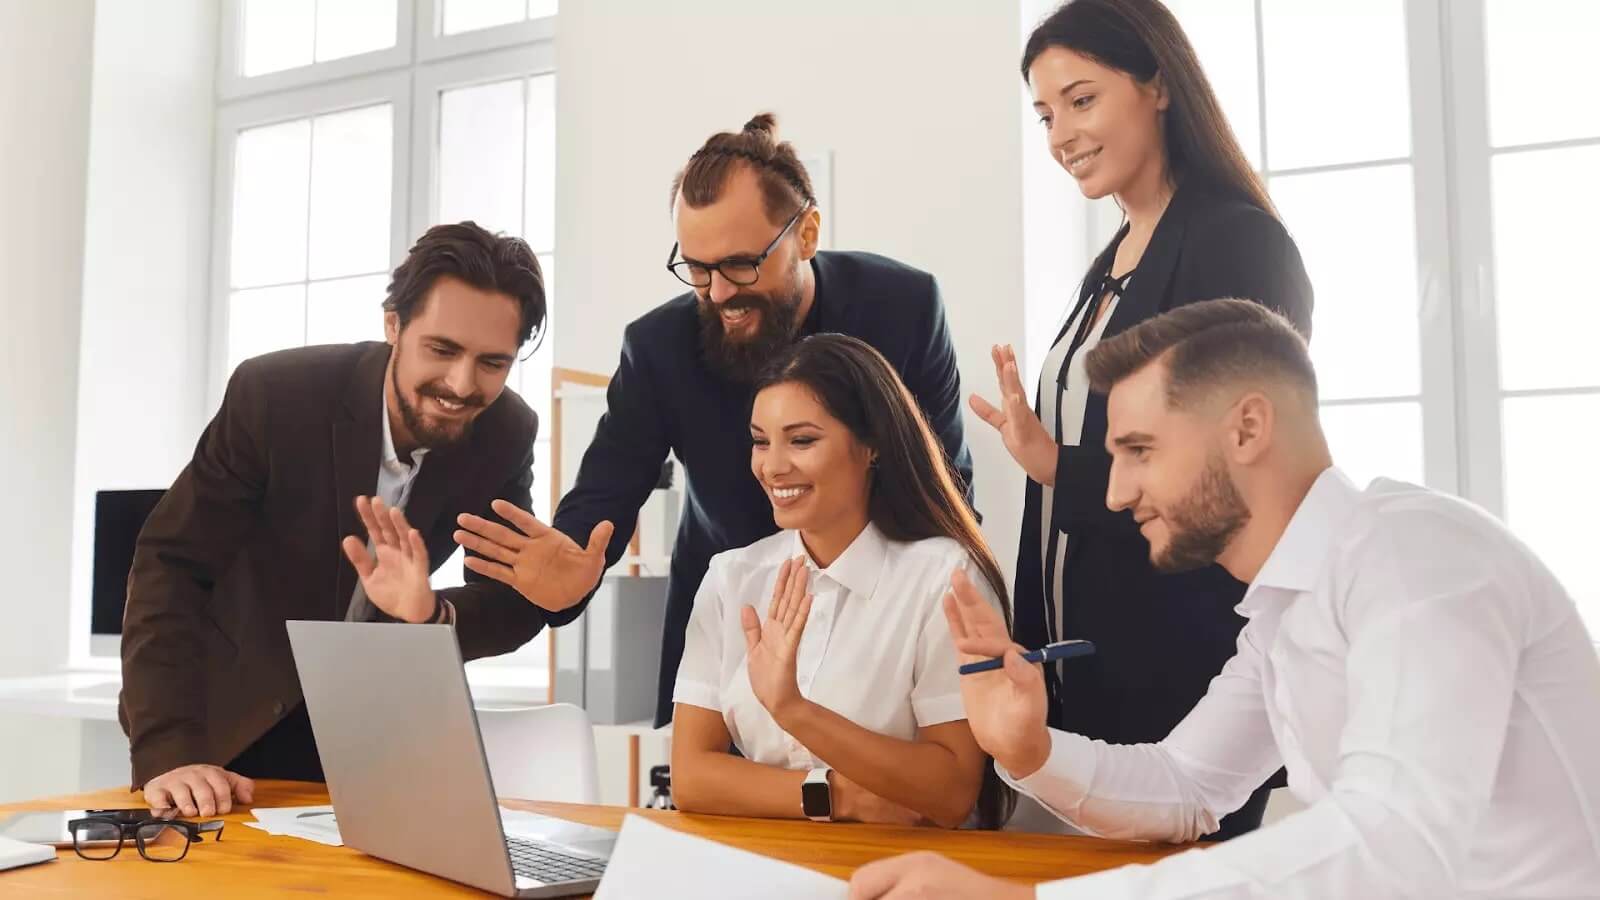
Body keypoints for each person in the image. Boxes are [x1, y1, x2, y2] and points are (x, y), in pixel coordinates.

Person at [850, 299, 1600, 898]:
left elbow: (1392, 840)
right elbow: (1190, 787)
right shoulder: (1286, 610)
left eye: (1138, 450)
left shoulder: (1416, 558)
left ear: (1246, 427)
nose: (1114, 494)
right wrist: (1029, 749)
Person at [452, 114, 974, 727]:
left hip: (882, 619)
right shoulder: (659, 345)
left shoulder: (903, 307)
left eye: (739, 265)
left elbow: (946, 489)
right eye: (696, 269)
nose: (718, 293)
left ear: (806, 233)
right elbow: (606, 493)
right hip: (725, 627)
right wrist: (569, 570)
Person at [969, 0, 1311, 837]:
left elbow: (1224, 466)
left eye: (1082, 101)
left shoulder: (1234, 241)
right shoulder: (1112, 259)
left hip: (1181, 669)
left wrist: (1057, 466)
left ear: (1158, 83)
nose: (1060, 135)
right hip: (1079, 668)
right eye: (1046, 114)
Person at [120, 223, 552, 817]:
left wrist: (427, 613)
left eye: (492, 362)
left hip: (366, 738)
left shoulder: (505, 432)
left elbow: (510, 600)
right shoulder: (275, 396)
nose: (462, 384)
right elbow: (171, 563)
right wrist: (169, 750)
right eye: (443, 350)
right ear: (393, 325)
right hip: (221, 726)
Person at [670, 334, 1012, 829]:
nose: (772, 466)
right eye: (761, 440)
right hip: (767, 866)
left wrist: (793, 709)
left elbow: (953, 789)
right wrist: (836, 796)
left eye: (802, 440)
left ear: (871, 446)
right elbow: (692, 777)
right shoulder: (732, 578)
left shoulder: (944, 577)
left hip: (909, 872)